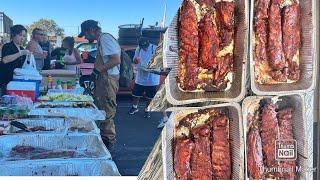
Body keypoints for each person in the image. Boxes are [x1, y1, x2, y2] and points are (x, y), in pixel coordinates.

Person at [78, 20, 121, 149]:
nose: (85, 37)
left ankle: (108, 143)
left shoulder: (105, 38)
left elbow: (115, 59)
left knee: (106, 111)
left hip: (108, 79)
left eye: (85, 34)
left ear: (91, 29)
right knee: (102, 109)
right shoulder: (102, 40)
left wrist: (97, 70)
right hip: (104, 79)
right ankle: (104, 140)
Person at [128, 37, 159, 118]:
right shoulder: (138, 49)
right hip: (140, 77)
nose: (144, 48)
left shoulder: (155, 48)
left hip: (152, 78)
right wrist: (135, 61)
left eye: (145, 47)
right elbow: (134, 59)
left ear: (148, 44)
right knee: (136, 94)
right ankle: (134, 107)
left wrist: (152, 67)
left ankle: (147, 109)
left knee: (150, 96)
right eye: (142, 47)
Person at [0, 25, 30, 95]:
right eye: (20, 35)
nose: (22, 38)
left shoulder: (22, 49)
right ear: (13, 35)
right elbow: (5, 60)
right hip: (6, 82)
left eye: (24, 36)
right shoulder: (7, 46)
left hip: (18, 82)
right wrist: (20, 53)